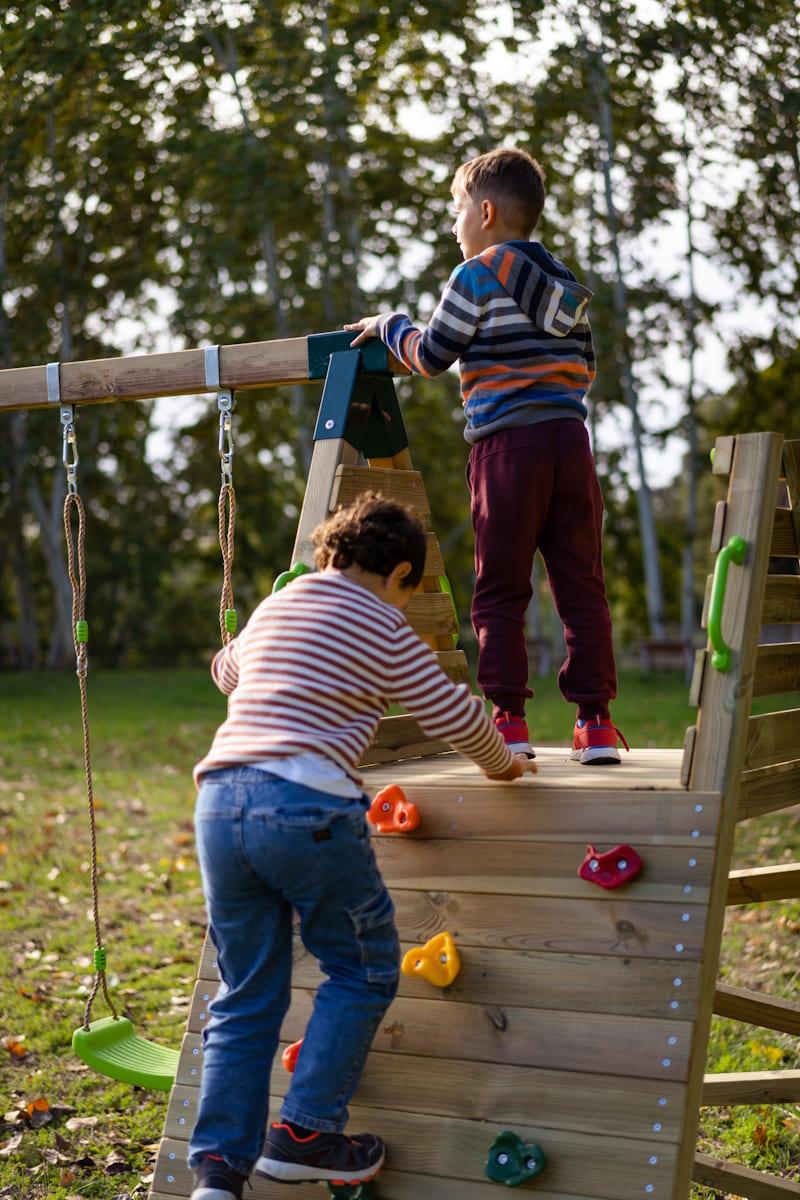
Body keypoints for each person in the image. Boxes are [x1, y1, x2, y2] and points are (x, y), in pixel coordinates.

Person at [188, 492, 535, 1200]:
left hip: (219, 803)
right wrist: (504, 763)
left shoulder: (277, 607)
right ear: (401, 573)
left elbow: (227, 670)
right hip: (305, 803)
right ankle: (307, 1132)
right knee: (364, 968)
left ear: (329, 555)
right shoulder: (382, 620)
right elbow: (449, 713)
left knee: (246, 992)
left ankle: (218, 1174)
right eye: (409, 592)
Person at [345, 146, 628, 766]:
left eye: (457, 210)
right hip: (569, 443)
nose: (454, 225)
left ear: (488, 211)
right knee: (581, 584)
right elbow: (587, 369)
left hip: (506, 448)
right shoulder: (565, 284)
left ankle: (507, 719)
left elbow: (431, 354)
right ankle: (596, 723)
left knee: (501, 587)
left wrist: (390, 323)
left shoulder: (474, 276)